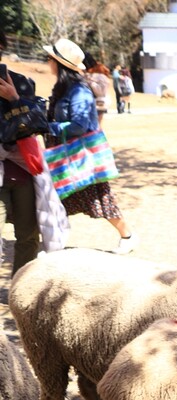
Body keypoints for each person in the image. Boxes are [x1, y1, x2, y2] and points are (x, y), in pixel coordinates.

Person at [43, 38, 139, 254]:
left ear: (60, 64)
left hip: (81, 158)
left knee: (100, 198)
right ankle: (53, 244)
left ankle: (128, 236)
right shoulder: (64, 88)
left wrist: (51, 128)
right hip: (67, 157)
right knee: (57, 199)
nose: (47, 62)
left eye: (50, 58)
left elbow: (80, 125)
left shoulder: (79, 91)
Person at [0, 29, 40, 274]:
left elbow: (35, 126)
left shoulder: (21, 83)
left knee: (28, 235)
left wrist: (14, 98)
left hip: (20, 170)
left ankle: (21, 288)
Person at [83, 52, 111, 127]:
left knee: (95, 127)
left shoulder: (94, 73)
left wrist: (90, 82)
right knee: (97, 126)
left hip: (97, 102)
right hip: (101, 102)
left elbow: (100, 90)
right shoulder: (100, 69)